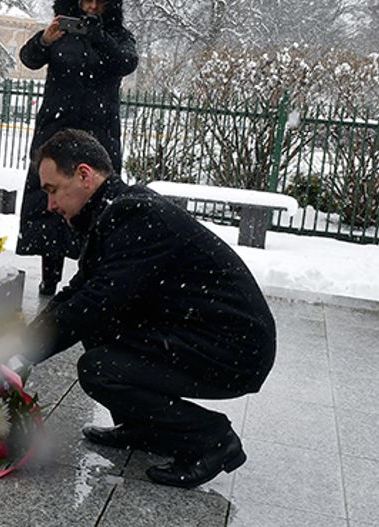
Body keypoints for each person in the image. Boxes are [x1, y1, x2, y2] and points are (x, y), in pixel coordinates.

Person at [15, 129, 276, 488]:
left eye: (52, 190)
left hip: (234, 347)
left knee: (99, 368)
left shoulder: (135, 214)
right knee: (101, 328)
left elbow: (95, 302)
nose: (50, 205)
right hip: (203, 333)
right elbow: (79, 291)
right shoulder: (116, 210)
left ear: (84, 175)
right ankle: (144, 428)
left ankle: (213, 439)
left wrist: (21, 357)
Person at [17, 0, 138, 296]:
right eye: (88, 1)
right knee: (51, 200)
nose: (93, 8)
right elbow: (28, 58)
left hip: (100, 137)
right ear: (76, 1)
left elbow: (127, 61)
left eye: (100, 1)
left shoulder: (117, 37)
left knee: (97, 204)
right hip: (56, 131)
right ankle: (49, 277)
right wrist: (44, 40)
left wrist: (99, 37)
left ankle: (92, 277)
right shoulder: (61, 33)